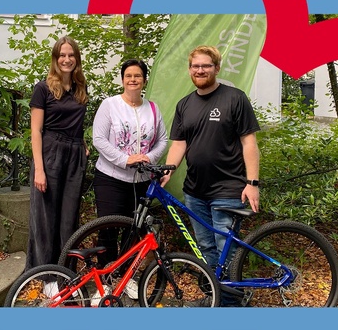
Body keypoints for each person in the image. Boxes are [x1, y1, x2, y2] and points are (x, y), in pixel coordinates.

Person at [161, 45, 260, 305]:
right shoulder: (184, 105)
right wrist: (169, 170)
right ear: (189, 70)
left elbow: (249, 143)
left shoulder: (235, 98)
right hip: (195, 191)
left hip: (228, 189)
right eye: (196, 66)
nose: (200, 70)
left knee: (225, 249)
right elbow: (179, 144)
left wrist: (252, 183)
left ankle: (229, 305)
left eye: (206, 66)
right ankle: (218, 298)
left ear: (217, 68)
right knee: (206, 249)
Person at [91, 59, 168, 303]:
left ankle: (128, 277)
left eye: (138, 75)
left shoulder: (153, 108)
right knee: (108, 229)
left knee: (134, 231)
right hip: (111, 178)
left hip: (141, 180)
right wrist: (126, 159)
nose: (133, 79)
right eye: (128, 76)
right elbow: (98, 139)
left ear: (144, 80)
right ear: (122, 79)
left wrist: (148, 157)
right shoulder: (109, 105)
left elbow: (163, 140)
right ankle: (104, 282)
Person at [26, 36, 90, 278]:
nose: (66, 59)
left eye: (71, 55)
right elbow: (36, 130)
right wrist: (39, 169)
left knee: (68, 220)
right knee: (46, 219)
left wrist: (82, 142)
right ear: (55, 59)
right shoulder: (43, 88)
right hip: (50, 155)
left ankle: (65, 273)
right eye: (62, 55)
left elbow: (77, 121)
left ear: (77, 59)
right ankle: (46, 276)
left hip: (74, 156)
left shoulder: (80, 87)